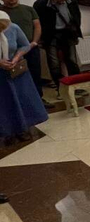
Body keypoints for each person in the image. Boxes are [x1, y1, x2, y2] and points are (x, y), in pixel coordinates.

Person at [0, 11, 47, 143]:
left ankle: (23, 128)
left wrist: (16, 57)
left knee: (21, 99)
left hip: (16, 71)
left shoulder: (13, 28)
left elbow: (25, 45)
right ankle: (7, 131)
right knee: (5, 103)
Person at [33, 0, 81, 89]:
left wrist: (76, 32)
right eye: (58, 1)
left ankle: (77, 86)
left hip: (68, 34)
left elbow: (77, 16)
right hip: (50, 35)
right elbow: (37, 23)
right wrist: (39, 38)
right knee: (54, 63)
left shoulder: (71, 1)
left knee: (72, 60)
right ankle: (60, 87)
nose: (61, 2)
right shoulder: (41, 4)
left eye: (63, 0)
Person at [0, 0, 43, 99]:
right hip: (9, 51)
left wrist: (34, 42)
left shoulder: (28, 9)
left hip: (29, 47)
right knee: (14, 78)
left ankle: (38, 98)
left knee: (35, 74)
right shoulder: (1, 13)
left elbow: (37, 26)